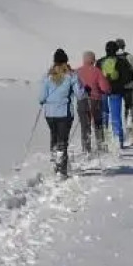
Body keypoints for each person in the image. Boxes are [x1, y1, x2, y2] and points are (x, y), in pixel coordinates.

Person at [39, 48, 85, 176]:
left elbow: (41, 97)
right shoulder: (71, 75)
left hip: (49, 114)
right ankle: (62, 171)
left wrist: (45, 101)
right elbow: (80, 94)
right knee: (62, 141)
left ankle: (55, 164)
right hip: (64, 113)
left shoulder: (47, 76)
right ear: (66, 61)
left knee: (54, 137)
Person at [98, 40, 133, 149]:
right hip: (116, 91)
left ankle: (103, 140)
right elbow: (130, 76)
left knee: (104, 115)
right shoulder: (122, 61)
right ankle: (118, 140)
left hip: (103, 92)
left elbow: (96, 77)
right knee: (116, 117)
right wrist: (120, 82)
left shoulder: (100, 62)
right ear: (116, 50)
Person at [75, 50, 110, 156]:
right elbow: (105, 88)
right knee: (98, 124)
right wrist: (107, 90)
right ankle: (101, 146)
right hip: (95, 100)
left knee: (85, 125)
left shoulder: (77, 72)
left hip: (81, 101)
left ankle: (86, 149)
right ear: (93, 60)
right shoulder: (97, 71)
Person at [114, 37, 133, 134]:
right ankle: (129, 128)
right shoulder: (129, 57)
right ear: (124, 46)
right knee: (129, 107)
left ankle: (117, 131)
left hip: (115, 88)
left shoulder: (112, 57)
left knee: (116, 109)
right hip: (128, 86)